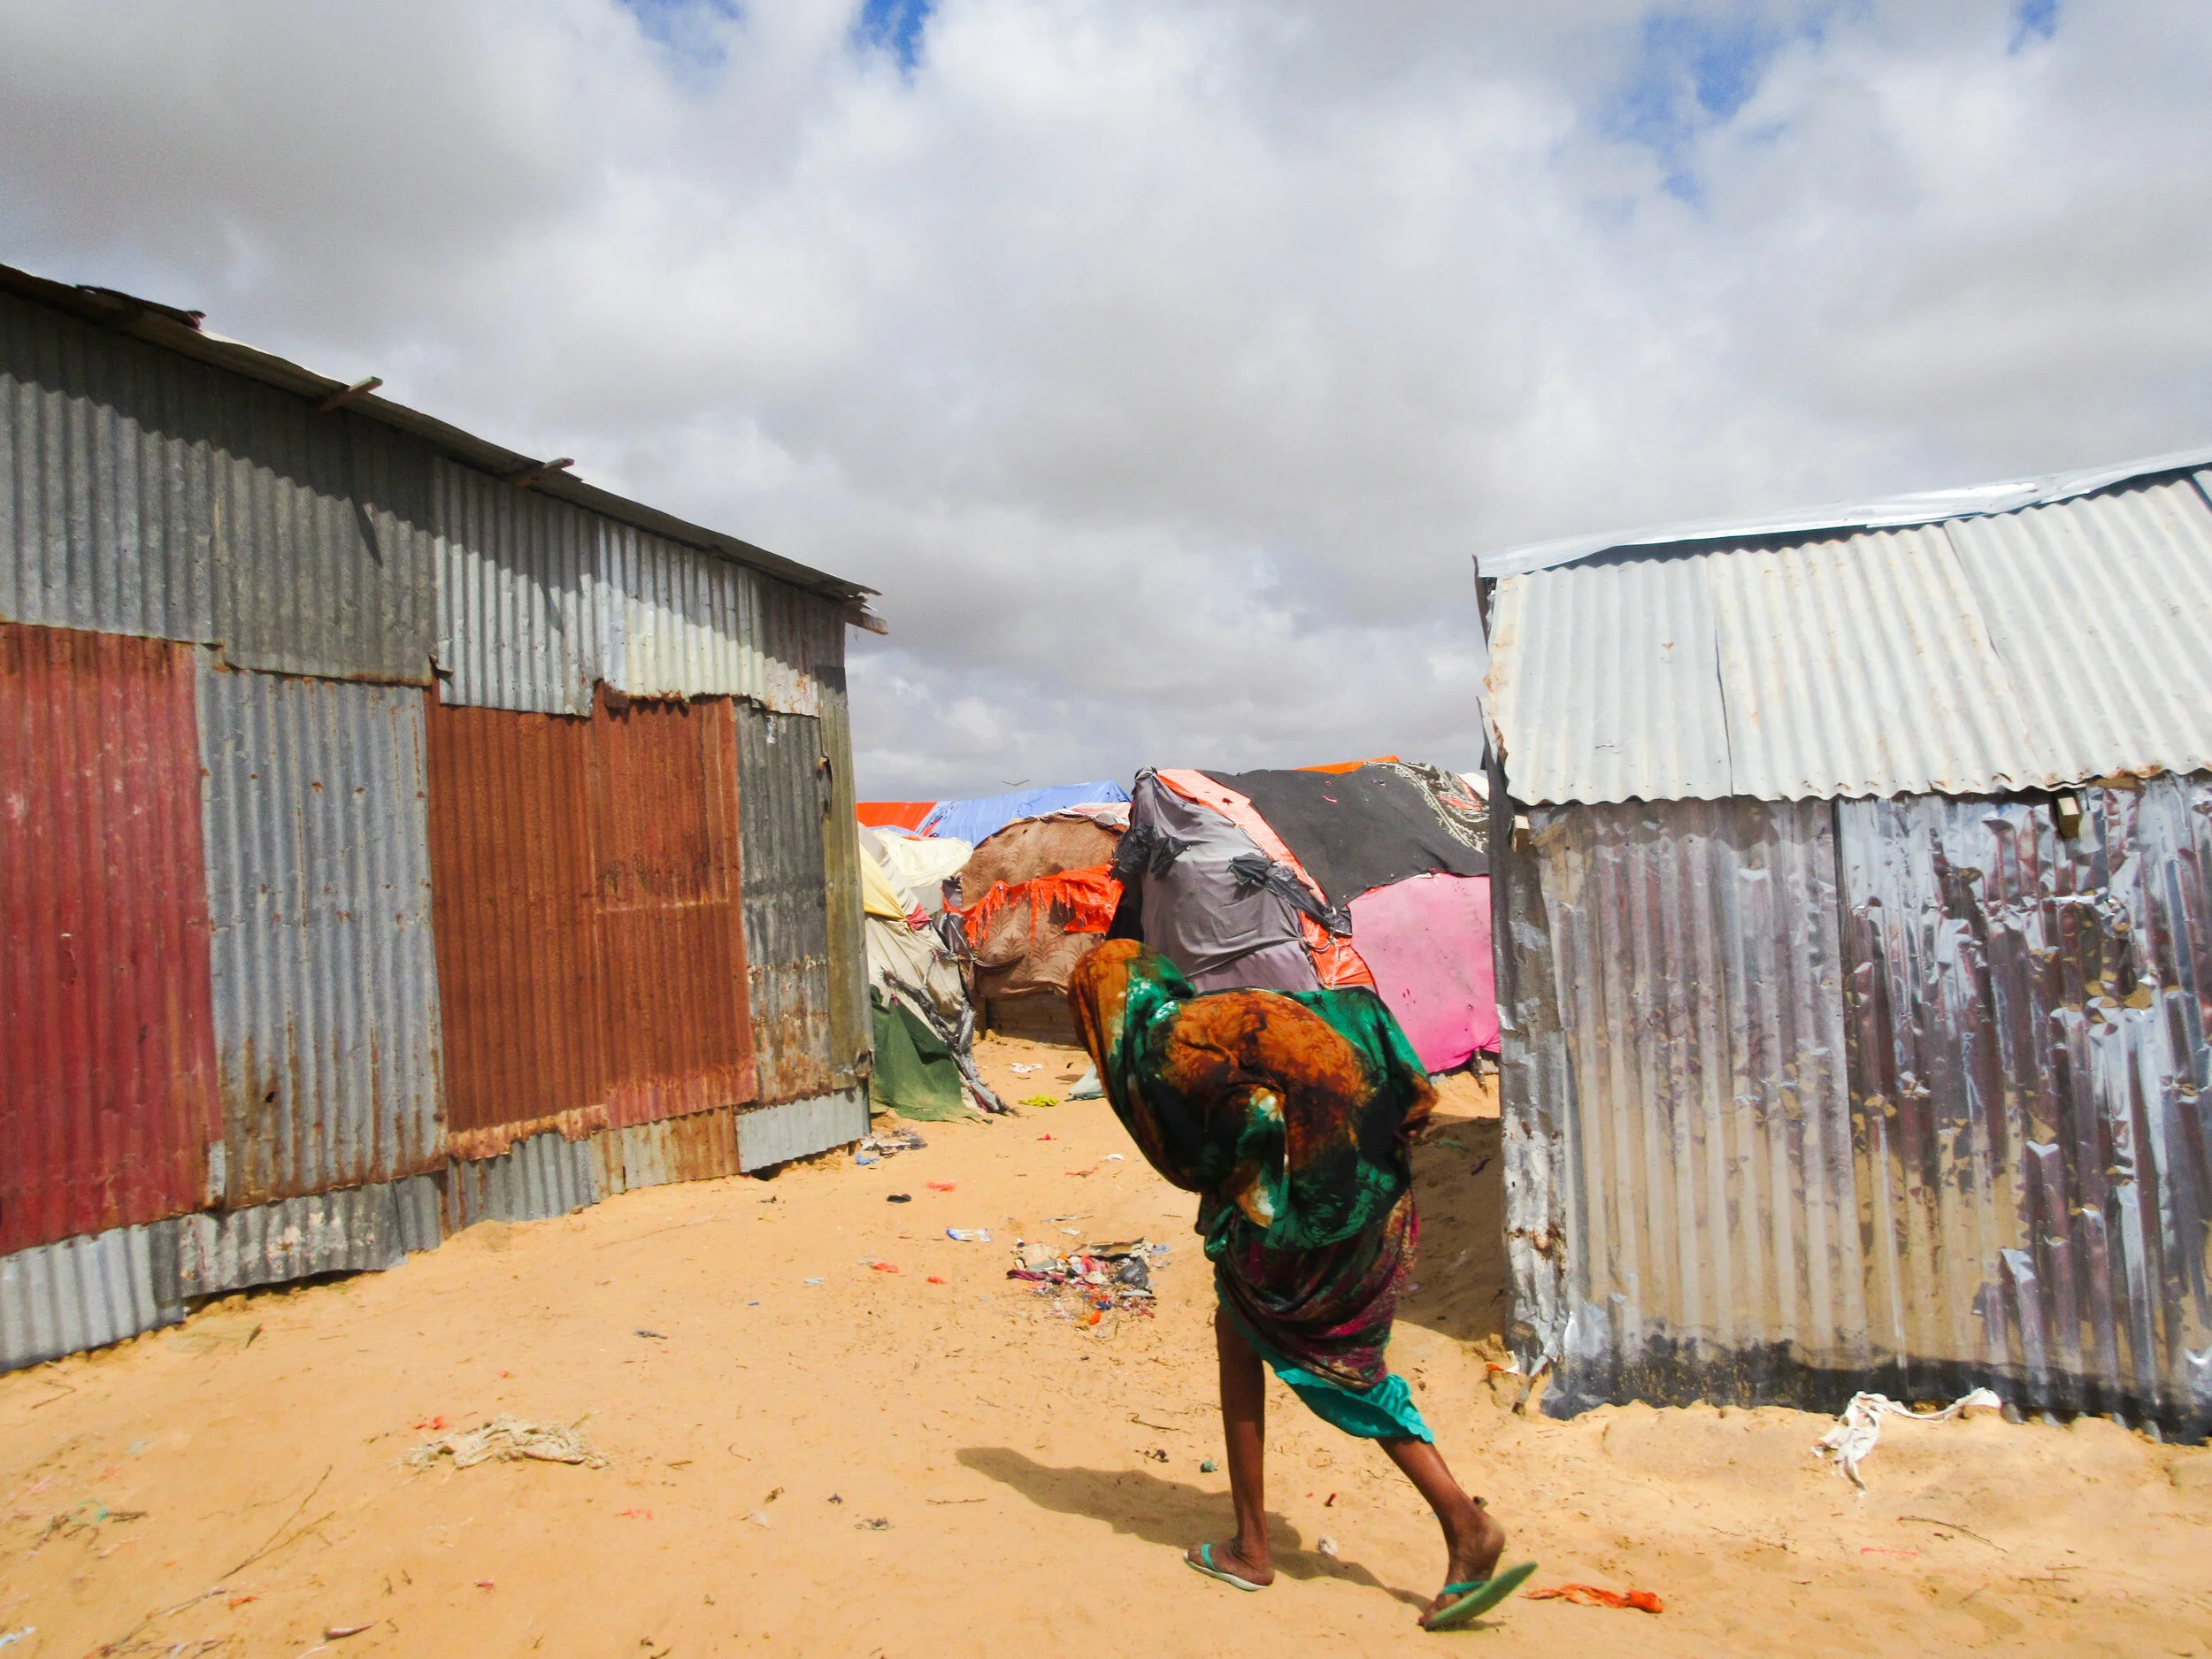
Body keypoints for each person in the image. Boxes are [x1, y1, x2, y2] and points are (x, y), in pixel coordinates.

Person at [1067, 939, 1534, 1632]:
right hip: (1375, 1182)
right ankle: (1251, 1541)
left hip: (1316, 1217)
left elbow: (1252, 1117)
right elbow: (1355, 1007)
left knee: (1341, 1368)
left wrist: (1252, 1199)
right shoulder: (1216, 1010)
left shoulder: (1162, 1054)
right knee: (1237, 1330)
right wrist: (1403, 1096)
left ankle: (1464, 1522)